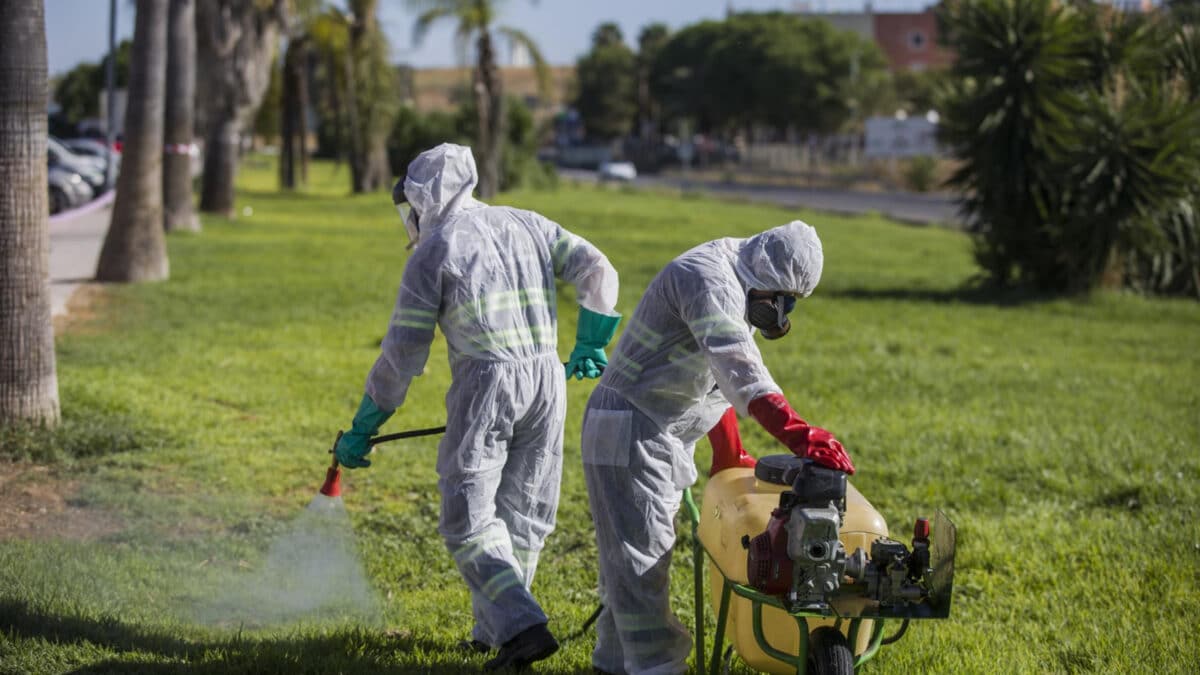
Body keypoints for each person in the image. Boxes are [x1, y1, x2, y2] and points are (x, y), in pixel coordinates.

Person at [334, 143, 621, 671]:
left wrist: (364, 423)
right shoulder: (527, 222)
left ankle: (522, 626)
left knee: (466, 518)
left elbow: (401, 357)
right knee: (524, 515)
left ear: (423, 196)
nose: (411, 219)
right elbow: (597, 268)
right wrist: (591, 339)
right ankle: (496, 634)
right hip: (546, 382)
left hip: (486, 382)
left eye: (410, 206)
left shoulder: (433, 252)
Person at [580, 221, 854, 674]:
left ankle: (614, 664)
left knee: (631, 561)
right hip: (629, 429)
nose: (782, 315)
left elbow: (714, 375)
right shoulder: (708, 279)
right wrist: (803, 435)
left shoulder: (740, 277)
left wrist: (728, 450)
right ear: (767, 276)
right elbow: (740, 371)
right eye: (783, 301)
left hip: (655, 431)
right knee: (640, 563)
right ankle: (656, 667)